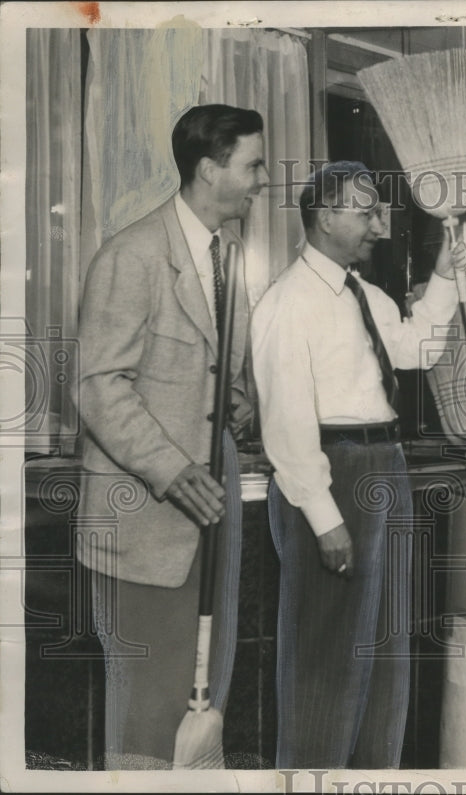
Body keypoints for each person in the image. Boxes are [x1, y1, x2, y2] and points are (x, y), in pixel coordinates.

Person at [251, 161, 462, 768]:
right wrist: (325, 519)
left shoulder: (363, 294)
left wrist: (444, 275)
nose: (380, 225)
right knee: (326, 657)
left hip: (383, 466)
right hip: (332, 475)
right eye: (366, 212)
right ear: (324, 216)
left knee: (386, 649)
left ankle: (374, 779)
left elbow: (415, 348)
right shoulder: (287, 303)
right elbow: (288, 429)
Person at [76, 104, 268, 769]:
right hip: (145, 518)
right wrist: (173, 467)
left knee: (201, 704)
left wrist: (237, 404)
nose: (260, 180)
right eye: (252, 165)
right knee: (147, 716)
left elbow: (213, 370)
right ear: (210, 170)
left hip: (211, 515)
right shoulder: (131, 255)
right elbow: (99, 384)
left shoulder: (229, 258)